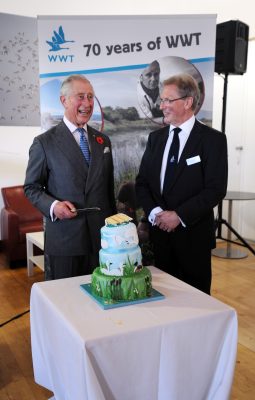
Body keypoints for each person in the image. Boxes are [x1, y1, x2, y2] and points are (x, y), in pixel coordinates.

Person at [136, 73, 228, 294]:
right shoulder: (155, 139)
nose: (162, 105)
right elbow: (142, 183)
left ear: (188, 102)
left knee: (195, 301)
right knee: (164, 299)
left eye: (168, 100)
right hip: (160, 236)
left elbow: (215, 189)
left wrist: (179, 216)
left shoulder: (212, 140)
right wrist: (157, 213)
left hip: (194, 238)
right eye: (162, 100)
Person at [24, 74, 116, 280]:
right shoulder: (44, 143)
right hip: (65, 241)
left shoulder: (103, 141)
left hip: (101, 240)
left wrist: (114, 233)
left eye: (91, 97)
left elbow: (108, 191)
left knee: (101, 303)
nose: (87, 103)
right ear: (64, 100)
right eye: (80, 97)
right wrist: (54, 206)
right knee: (65, 304)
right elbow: (32, 188)